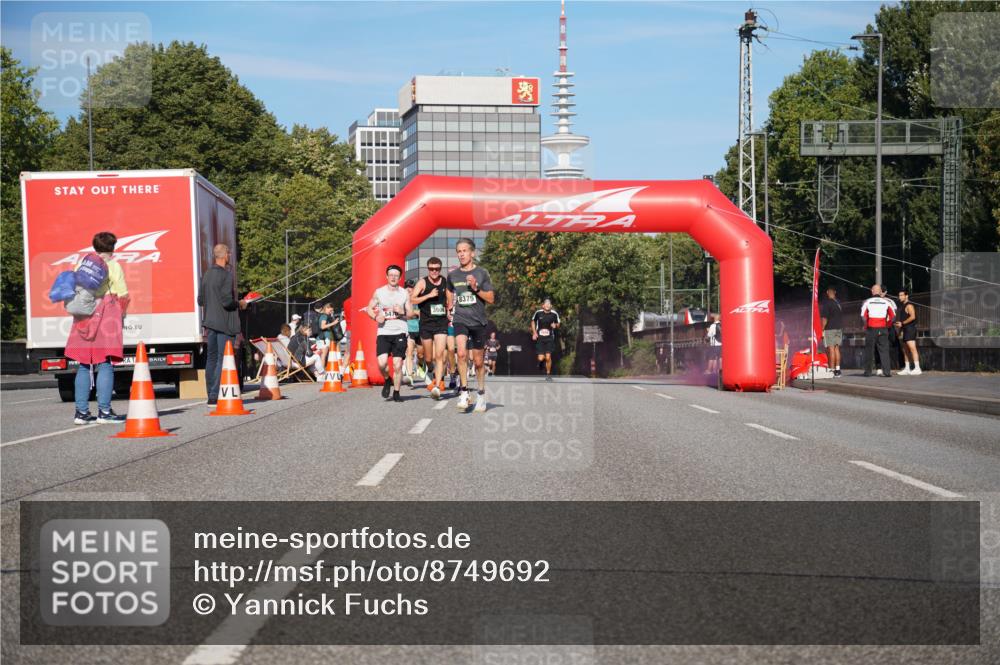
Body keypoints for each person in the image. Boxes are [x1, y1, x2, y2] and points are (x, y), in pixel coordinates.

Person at [66, 231, 127, 424]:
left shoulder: (82, 264)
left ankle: (81, 413)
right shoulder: (114, 266)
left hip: (84, 315)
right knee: (105, 362)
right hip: (106, 314)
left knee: (84, 364)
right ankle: (104, 411)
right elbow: (123, 293)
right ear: (112, 247)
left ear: (95, 247)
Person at [446, 238, 495, 412]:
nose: (461, 254)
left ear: (472, 253)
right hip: (460, 319)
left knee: (479, 362)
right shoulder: (453, 275)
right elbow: (449, 289)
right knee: (460, 353)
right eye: (459, 251)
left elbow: (491, 298)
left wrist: (475, 288)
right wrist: (449, 305)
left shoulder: (482, 273)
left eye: (465, 250)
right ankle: (464, 392)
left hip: (478, 321)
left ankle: (481, 394)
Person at [198, 243, 246, 405]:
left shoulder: (206, 274)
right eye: (229, 254)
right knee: (221, 358)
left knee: (211, 358)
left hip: (209, 323)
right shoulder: (226, 275)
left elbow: (200, 300)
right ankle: (215, 393)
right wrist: (240, 303)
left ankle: (210, 393)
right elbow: (226, 301)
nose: (230, 257)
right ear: (225, 255)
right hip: (224, 323)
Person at [366, 264, 413, 402]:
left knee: (397, 364)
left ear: (399, 278)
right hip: (384, 331)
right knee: (382, 363)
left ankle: (397, 392)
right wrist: (375, 317)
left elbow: (411, 313)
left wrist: (402, 312)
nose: (393, 277)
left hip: (400, 331)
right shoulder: (379, 292)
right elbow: (369, 308)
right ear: (387, 276)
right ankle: (387, 379)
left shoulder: (404, 293)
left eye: (396, 275)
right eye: (391, 275)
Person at [411, 257, 450, 399]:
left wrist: (450, 309)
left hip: (441, 323)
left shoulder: (445, 282)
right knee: (428, 357)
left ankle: (437, 385)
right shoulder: (422, 282)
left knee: (439, 355)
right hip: (426, 323)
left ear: (440, 269)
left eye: (437, 269)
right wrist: (428, 295)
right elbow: (412, 299)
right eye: (432, 269)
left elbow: (450, 298)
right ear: (428, 269)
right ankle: (431, 370)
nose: (434, 271)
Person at [861, 284, 895, 377]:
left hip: (871, 328)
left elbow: (863, 316)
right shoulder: (887, 302)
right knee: (884, 350)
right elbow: (893, 317)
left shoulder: (867, 302)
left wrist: (866, 326)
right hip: (883, 328)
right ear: (880, 292)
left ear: (872, 291)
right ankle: (887, 372)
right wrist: (887, 325)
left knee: (869, 350)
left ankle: (868, 372)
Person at [531, 298, 560, 380]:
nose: (547, 305)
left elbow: (558, 324)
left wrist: (556, 326)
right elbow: (533, 321)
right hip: (540, 338)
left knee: (548, 357)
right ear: (543, 306)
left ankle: (548, 374)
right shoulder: (538, 313)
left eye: (549, 304)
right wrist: (534, 333)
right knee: (541, 358)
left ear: (551, 306)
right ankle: (541, 363)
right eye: (546, 304)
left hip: (549, 338)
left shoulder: (554, 314)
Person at [895, 289, 921, 375]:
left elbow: (913, 317)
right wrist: (900, 328)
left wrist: (902, 323)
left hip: (910, 329)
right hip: (905, 329)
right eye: (899, 295)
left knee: (912, 348)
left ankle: (917, 368)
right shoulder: (903, 305)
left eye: (902, 295)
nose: (900, 297)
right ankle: (907, 368)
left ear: (906, 296)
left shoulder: (909, 305)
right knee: (905, 349)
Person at [820, 286, 843, 377]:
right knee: (836, 348)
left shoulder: (827, 304)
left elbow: (824, 319)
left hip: (830, 329)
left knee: (830, 349)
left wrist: (822, 329)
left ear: (827, 292)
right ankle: (838, 370)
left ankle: (832, 370)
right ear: (835, 292)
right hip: (839, 328)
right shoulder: (838, 303)